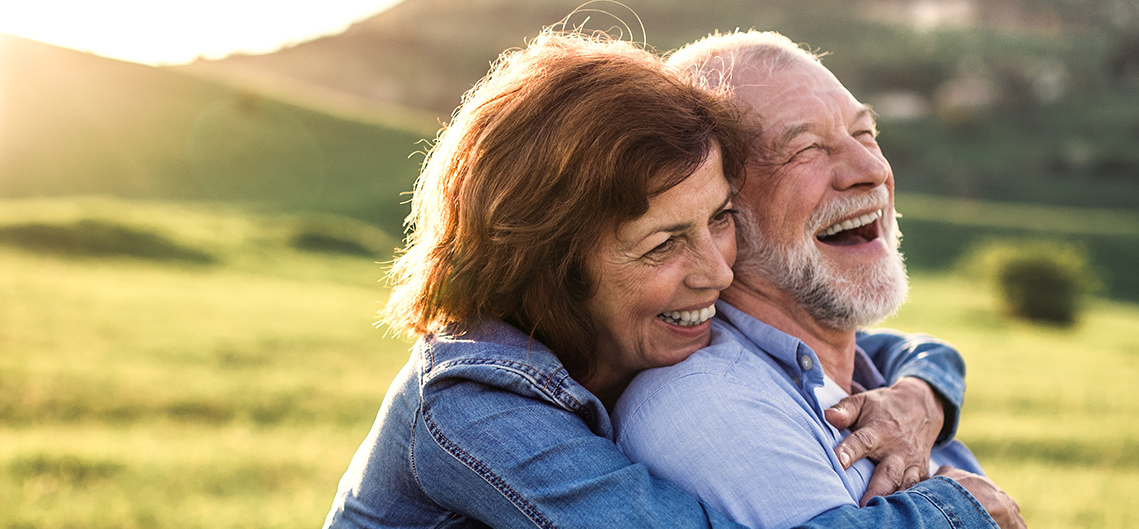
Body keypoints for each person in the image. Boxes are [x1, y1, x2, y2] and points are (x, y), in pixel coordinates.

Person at [324, 30, 998, 529]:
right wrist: (955, 508)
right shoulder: (474, 404)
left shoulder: (648, 332)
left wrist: (921, 395)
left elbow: (888, 350)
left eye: (721, 218)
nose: (716, 269)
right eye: (664, 244)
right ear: (555, 267)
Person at [612, 31, 1025, 529]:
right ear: (717, 206)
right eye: (805, 148)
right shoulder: (705, 402)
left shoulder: (879, 383)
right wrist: (966, 513)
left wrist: (926, 386)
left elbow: (917, 352)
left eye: (866, 134)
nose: (871, 169)